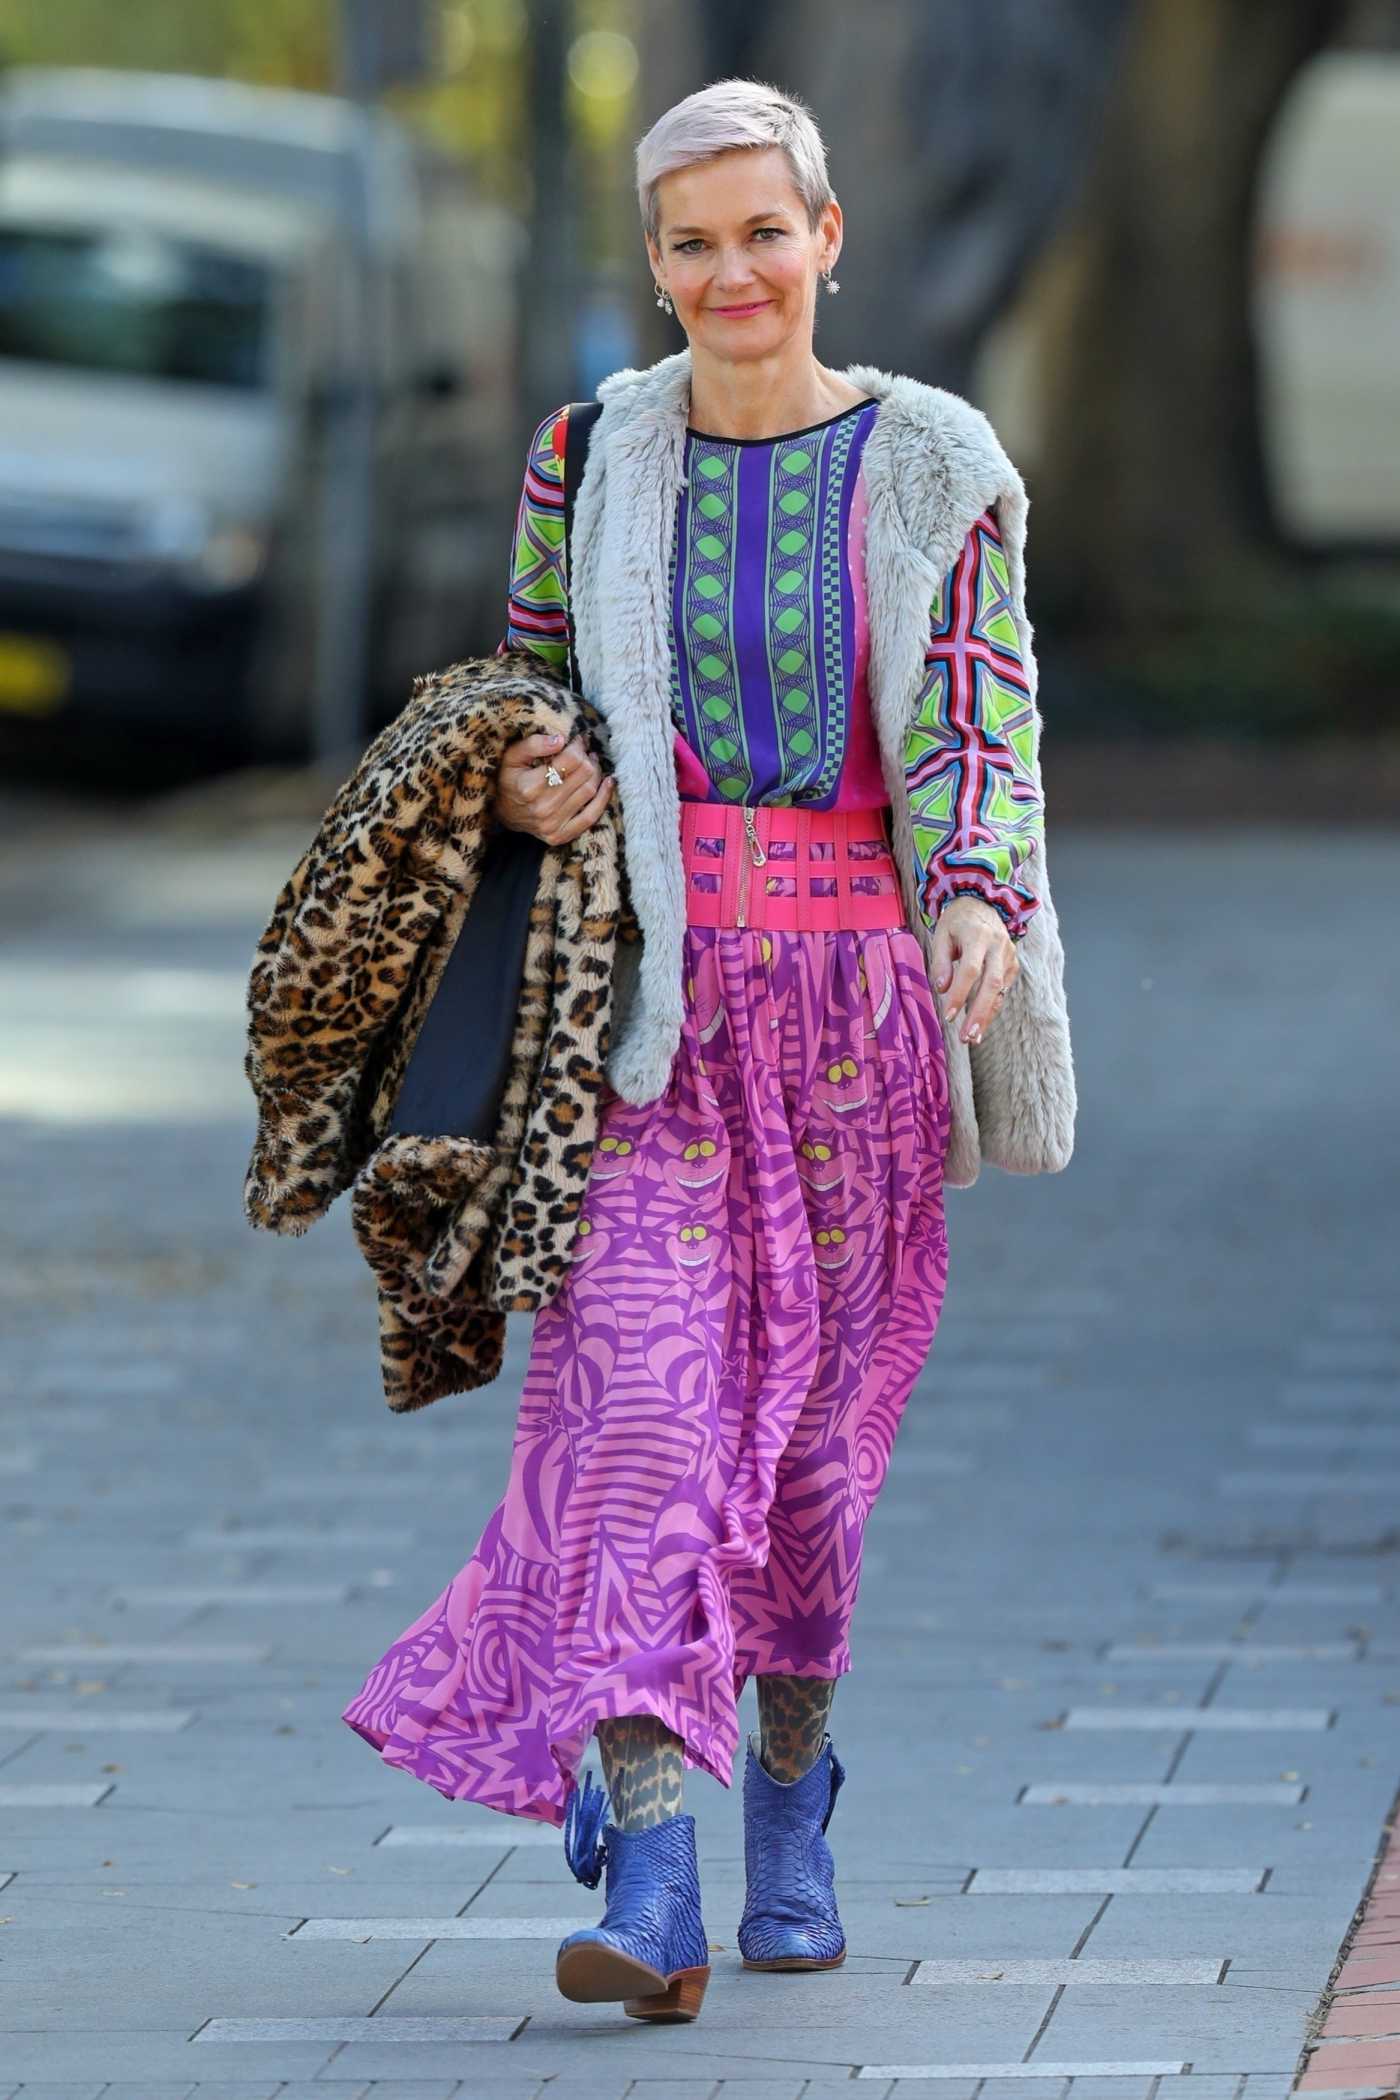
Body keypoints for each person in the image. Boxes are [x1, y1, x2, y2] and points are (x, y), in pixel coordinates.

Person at [342, 74, 1070, 2027]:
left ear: (825, 239)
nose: (731, 270)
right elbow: (525, 689)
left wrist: (979, 895)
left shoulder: (931, 460)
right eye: (691, 240)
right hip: (643, 1019)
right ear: (654, 265)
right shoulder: (592, 455)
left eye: (766, 230)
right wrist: (541, 765)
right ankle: (656, 1876)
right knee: (643, 1429)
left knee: (817, 1471)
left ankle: (790, 1794)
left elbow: (983, 720)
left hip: (855, 1015)